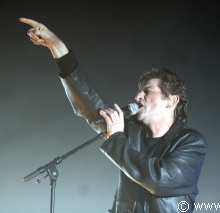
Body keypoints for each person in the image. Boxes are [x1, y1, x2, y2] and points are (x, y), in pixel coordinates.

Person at [19, 17, 207, 213]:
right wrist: (56, 47)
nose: (138, 96)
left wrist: (116, 138)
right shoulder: (130, 131)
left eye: (147, 91)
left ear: (172, 100)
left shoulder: (191, 142)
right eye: (138, 91)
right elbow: (91, 103)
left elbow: (161, 180)